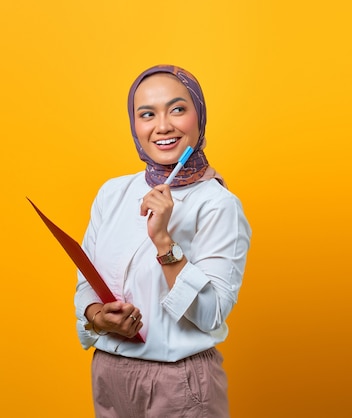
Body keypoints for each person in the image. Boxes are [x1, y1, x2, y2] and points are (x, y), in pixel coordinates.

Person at [74, 64, 251, 418]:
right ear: (134, 124)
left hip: (179, 382)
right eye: (147, 114)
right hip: (109, 375)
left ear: (198, 116)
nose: (163, 126)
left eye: (178, 109)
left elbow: (210, 314)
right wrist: (98, 316)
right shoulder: (112, 193)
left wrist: (164, 242)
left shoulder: (219, 205)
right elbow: (86, 284)